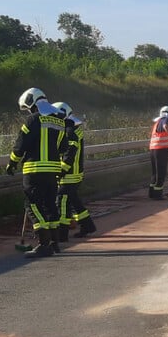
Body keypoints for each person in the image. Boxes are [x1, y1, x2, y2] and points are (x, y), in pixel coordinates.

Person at [6, 87, 67, 258]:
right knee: (50, 205)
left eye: (28, 108)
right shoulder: (60, 122)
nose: (29, 111)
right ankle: (55, 243)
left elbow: (20, 145)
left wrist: (12, 163)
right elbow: (63, 147)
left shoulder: (32, 120)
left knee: (32, 205)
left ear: (32, 103)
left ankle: (43, 243)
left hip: (34, 170)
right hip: (53, 171)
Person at [52, 101, 96, 240]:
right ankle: (87, 225)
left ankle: (62, 234)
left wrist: (62, 170)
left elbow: (70, 153)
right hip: (75, 173)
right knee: (74, 200)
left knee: (63, 203)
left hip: (69, 174)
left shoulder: (70, 131)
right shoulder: (73, 128)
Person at [149, 105, 168, 199]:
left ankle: (152, 194)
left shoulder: (157, 122)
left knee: (155, 174)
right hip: (161, 151)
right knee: (161, 173)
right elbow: (166, 127)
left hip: (154, 150)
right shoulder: (165, 119)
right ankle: (158, 195)